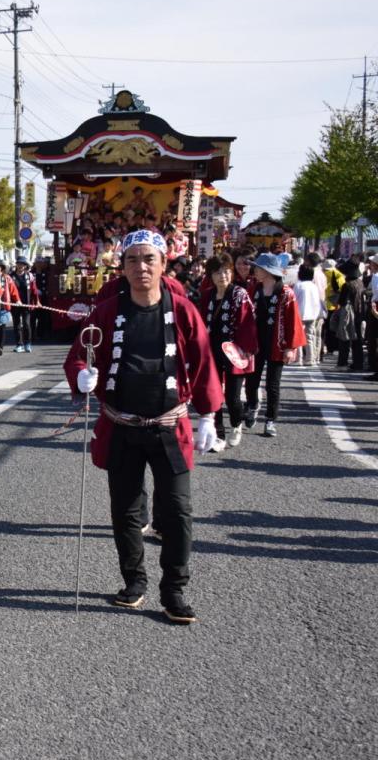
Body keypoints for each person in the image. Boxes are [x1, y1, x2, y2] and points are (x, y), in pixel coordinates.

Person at [64, 229, 220, 624]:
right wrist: (84, 376)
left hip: (170, 424)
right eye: (132, 260)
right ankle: (134, 580)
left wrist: (210, 416)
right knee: (126, 510)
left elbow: (203, 363)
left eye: (149, 259)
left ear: (163, 264)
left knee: (178, 510)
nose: (141, 267)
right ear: (122, 267)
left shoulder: (184, 310)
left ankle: (175, 590)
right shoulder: (106, 312)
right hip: (122, 425)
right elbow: (81, 355)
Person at [245, 253, 305, 438]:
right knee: (251, 381)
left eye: (258, 268)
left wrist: (290, 347)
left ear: (268, 271)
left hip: (277, 344)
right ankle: (253, 405)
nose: (254, 270)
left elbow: (292, 321)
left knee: (273, 384)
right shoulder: (254, 289)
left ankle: (270, 420)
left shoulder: (286, 293)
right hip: (256, 343)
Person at [202, 252, 258, 450]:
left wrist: (248, 350)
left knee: (232, 396)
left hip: (234, 351)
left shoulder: (239, 294)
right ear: (211, 275)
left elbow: (248, 324)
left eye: (226, 272)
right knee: (213, 392)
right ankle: (219, 433)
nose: (222, 276)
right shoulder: (207, 295)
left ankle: (236, 424)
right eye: (217, 272)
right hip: (211, 351)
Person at [332, 261, 366, 370]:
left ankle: (342, 363)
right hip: (359, 314)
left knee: (344, 338)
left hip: (348, 315)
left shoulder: (347, 285)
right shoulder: (360, 283)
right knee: (357, 340)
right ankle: (358, 363)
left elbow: (342, 302)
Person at [292, 264, 325, 366]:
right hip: (312, 314)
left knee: (297, 336)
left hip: (299, 313)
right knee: (310, 336)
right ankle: (310, 359)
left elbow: (294, 299)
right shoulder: (313, 286)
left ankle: (298, 359)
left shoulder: (298, 285)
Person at [10, 256, 39, 352]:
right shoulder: (11, 276)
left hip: (26, 303)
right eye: (19, 264)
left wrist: (37, 301)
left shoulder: (29, 276)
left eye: (22, 264)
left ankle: (27, 343)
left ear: (25, 266)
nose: (20, 266)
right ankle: (19, 344)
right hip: (15, 303)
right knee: (17, 324)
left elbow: (34, 290)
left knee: (27, 324)